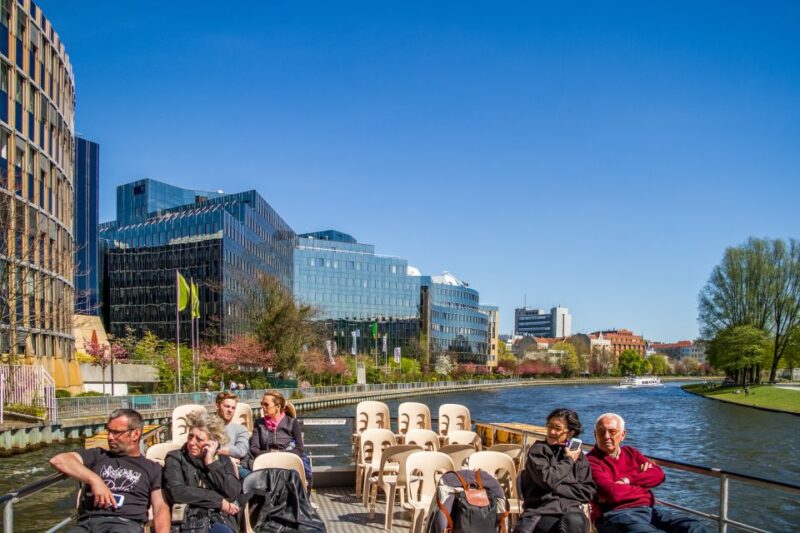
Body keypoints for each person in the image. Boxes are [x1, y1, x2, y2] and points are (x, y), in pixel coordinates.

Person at [49, 409, 170, 533]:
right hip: (87, 524)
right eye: (109, 431)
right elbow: (58, 460)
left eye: (116, 432)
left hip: (124, 524)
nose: (110, 437)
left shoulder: (152, 468)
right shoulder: (98, 455)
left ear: (135, 434)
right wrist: (95, 480)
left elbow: (160, 507)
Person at [587, 413, 709, 533]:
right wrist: (642, 486)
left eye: (612, 431)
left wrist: (627, 480)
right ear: (595, 435)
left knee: (694, 527)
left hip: (648, 510)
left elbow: (659, 475)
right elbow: (612, 493)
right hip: (614, 514)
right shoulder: (591, 460)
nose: (606, 436)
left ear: (623, 434)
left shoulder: (631, 452)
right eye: (601, 431)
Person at [515, 408, 595, 533]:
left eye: (558, 429)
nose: (552, 432)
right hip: (542, 510)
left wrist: (554, 488)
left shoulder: (579, 458)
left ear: (571, 433)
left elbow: (588, 491)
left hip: (572, 511)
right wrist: (568, 461)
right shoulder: (538, 451)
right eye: (550, 426)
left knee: (573, 520)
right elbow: (548, 480)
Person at [163, 411, 242, 533]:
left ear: (213, 442)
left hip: (219, 518)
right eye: (190, 436)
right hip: (190, 519)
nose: (191, 443)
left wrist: (211, 463)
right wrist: (218, 501)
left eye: (199, 439)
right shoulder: (175, 458)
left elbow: (232, 493)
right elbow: (177, 491)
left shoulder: (222, 460)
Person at [250, 391, 312, 487]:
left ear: (278, 407)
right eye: (262, 404)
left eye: (266, 404)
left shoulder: (292, 422)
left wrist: (280, 455)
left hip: (288, 460)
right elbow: (254, 448)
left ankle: (303, 496)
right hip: (267, 460)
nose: (263, 407)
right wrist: (271, 455)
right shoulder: (259, 424)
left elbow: (300, 449)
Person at [215, 392, 252, 477]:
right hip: (212, 467)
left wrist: (215, 450)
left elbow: (241, 451)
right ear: (217, 406)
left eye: (233, 408)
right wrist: (228, 458)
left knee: (254, 480)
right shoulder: (206, 426)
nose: (230, 410)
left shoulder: (240, 429)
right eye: (227, 406)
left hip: (235, 468)